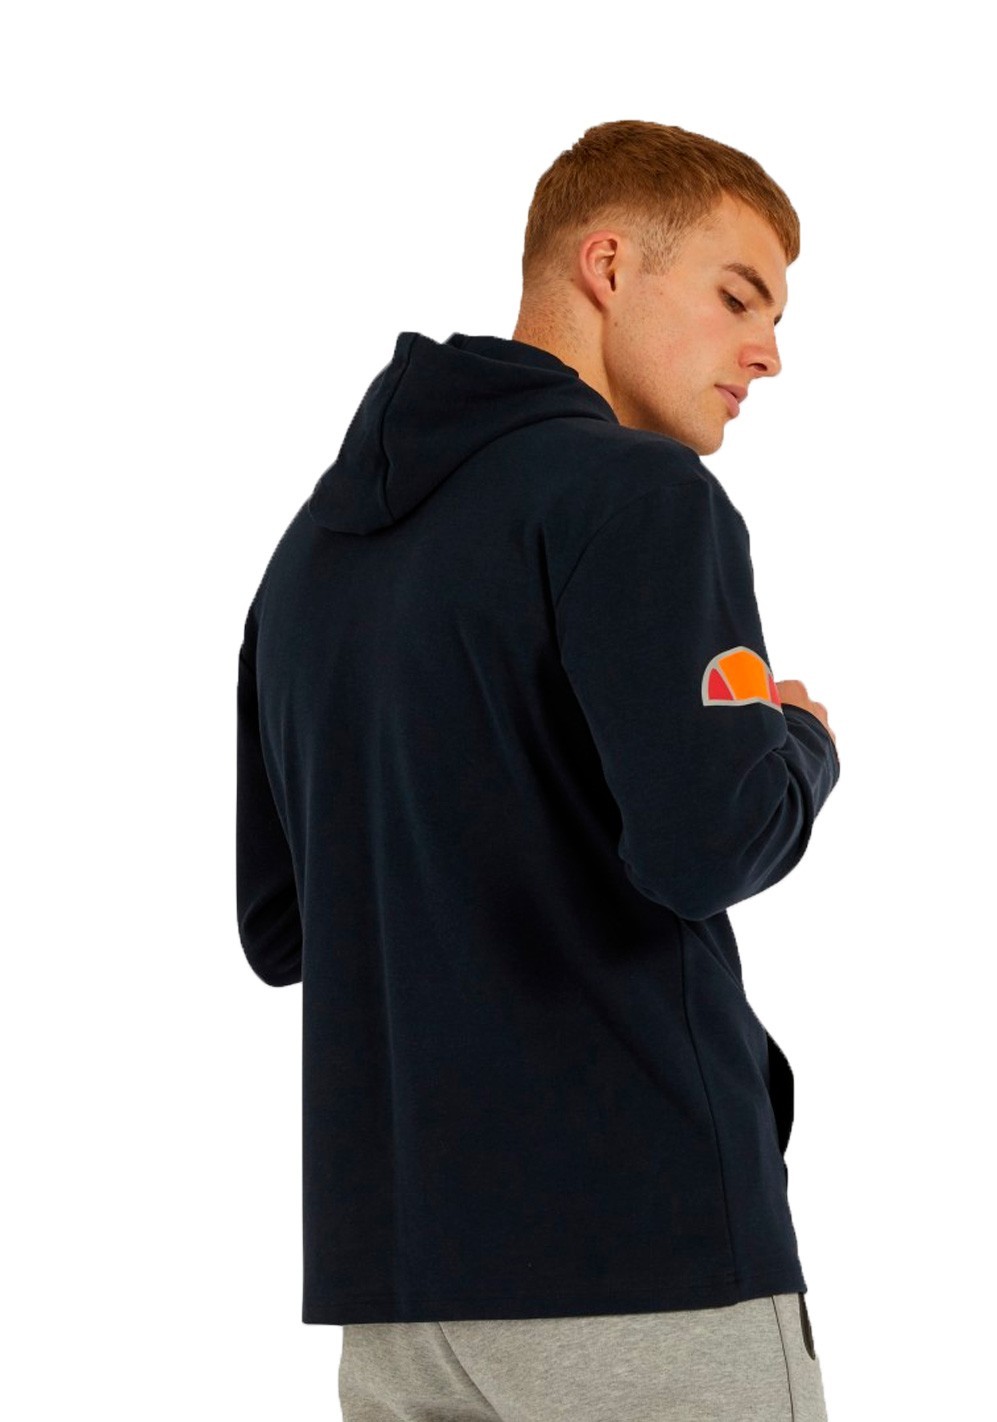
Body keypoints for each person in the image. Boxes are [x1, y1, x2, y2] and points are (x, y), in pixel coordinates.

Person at [236, 117, 839, 1421]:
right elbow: (709, 839)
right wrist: (796, 743)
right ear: (608, 265)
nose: (768, 352)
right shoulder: (641, 496)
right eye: (739, 296)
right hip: (649, 1272)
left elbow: (284, 926)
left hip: (399, 1299)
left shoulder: (308, 566)